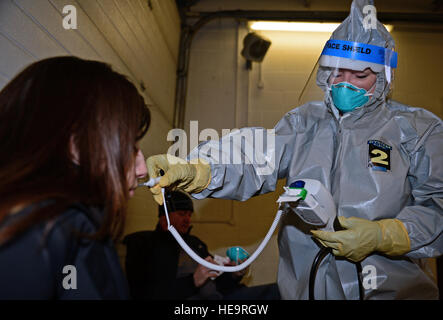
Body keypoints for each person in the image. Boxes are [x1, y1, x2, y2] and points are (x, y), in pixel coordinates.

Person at [145, 0, 442, 300]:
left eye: (359, 75)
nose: (345, 84)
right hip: (306, 290)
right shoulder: (305, 122)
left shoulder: (416, 130)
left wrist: (387, 236)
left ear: (383, 79)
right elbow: (254, 157)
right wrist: (199, 169)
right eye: (337, 73)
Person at [0, 56, 150, 299]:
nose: (142, 169)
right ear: (76, 142)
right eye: (131, 145)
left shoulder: (75, 225)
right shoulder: (40, 229)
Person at [124, 190, 280, 300]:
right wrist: (192, 281)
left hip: (220, 296)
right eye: (181, 214)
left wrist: (233, 273)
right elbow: (143, 294)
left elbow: (217, 284)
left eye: (189, 215)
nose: (187, 219)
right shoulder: (144, 244)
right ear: (164, 217)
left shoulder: (195, 244)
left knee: (279, 291)